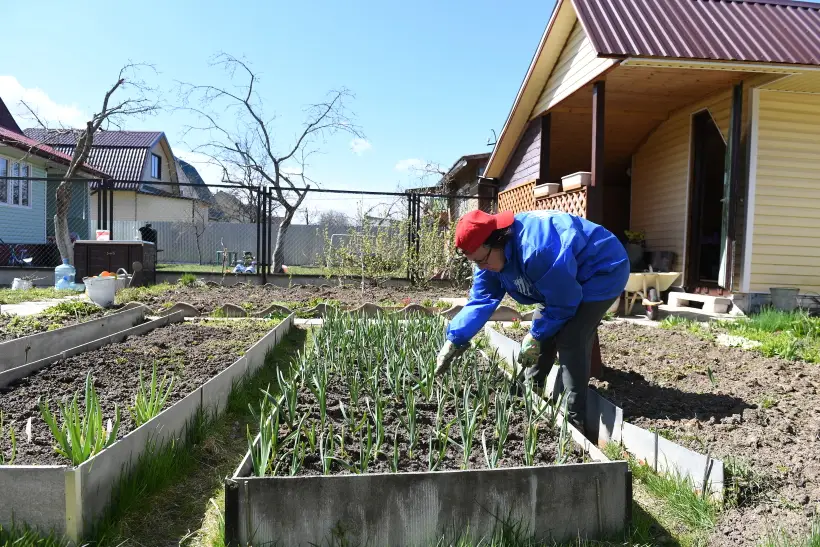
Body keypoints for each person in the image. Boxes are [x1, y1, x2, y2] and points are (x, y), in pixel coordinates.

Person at [434, 209, 630, 433]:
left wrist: (536, 335)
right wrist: (455, 338)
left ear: (498, 240)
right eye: (475, 263)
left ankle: (574, 419)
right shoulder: (487, 254)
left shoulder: (536, 250)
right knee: (544, 327)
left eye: (482, 261)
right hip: (562, 275)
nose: (482, 268)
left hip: (601, 269)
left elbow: (563, 302)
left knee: (571, 336)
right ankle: (530, 391)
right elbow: (482, 298)